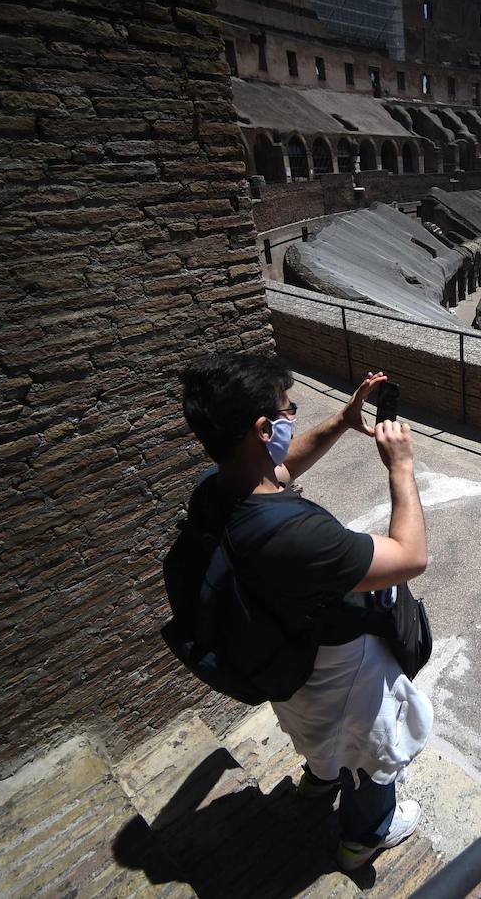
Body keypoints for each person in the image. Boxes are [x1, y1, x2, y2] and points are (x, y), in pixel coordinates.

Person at [179, 353, 431, 871]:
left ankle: (318, 782)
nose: (294, 417)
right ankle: (366, 835)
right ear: (262, 428)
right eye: (288, 410)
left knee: (318, 733)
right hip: (343, 669)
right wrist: (401, 466)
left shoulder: (215, 489)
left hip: (288, 662)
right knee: (370, 751)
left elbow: (280, 466)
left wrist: (342, 420)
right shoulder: (296, 536)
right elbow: (410, 558)